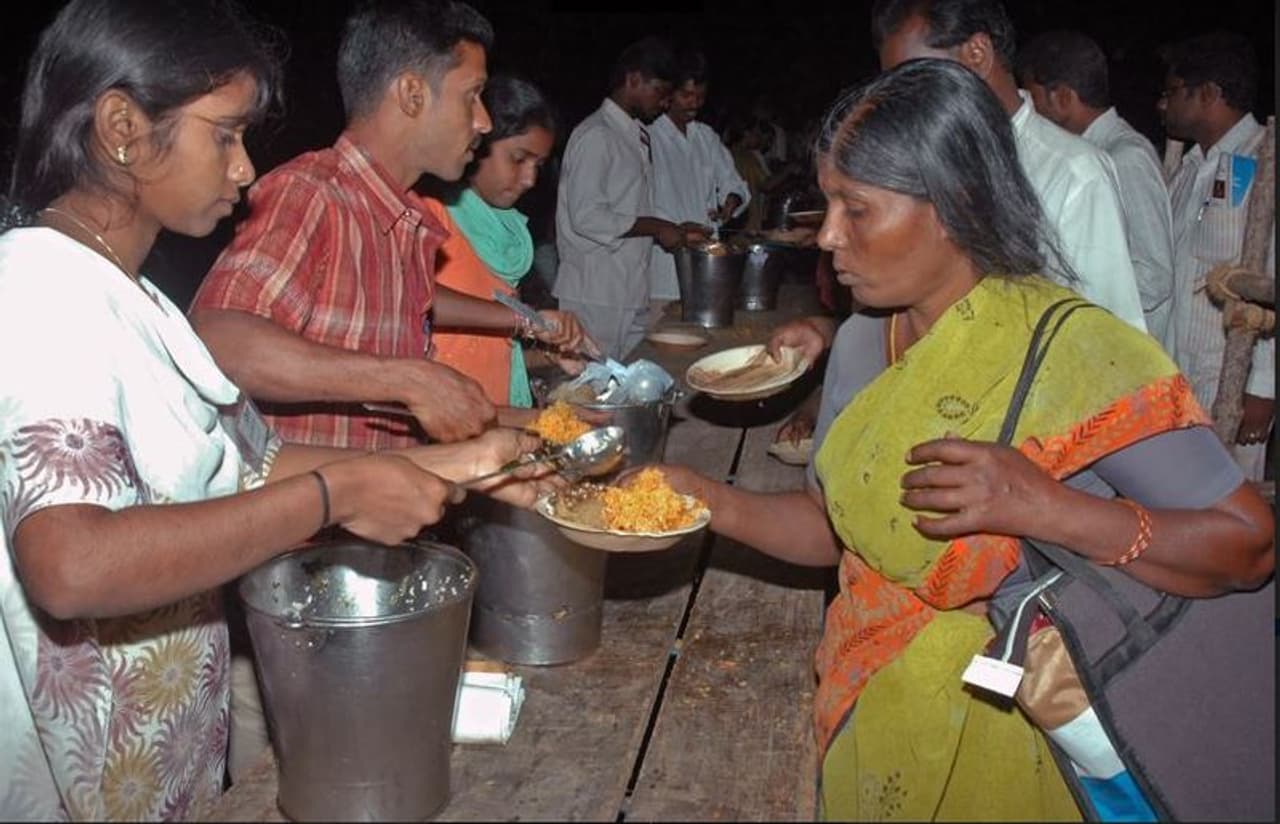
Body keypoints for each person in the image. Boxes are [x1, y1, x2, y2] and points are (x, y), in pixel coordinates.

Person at [653, 59, 1274, 820]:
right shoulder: (864, 339)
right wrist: (706, 501)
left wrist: (1047, 509)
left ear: (957, 204)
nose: (829, 237)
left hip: (1011, 736)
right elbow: (843, 530)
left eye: (857, 209)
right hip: (866, 708)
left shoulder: (1074, 352)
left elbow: (1249, 546)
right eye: (829, 204)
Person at [0, 1, 556, 819]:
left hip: (164, 776)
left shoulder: (140, 302)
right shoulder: (42, 289)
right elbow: (71, 565)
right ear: (122, 128)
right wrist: (337, 496)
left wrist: (457, 463)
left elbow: (252, 465)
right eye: (225, 135)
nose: (244, 171)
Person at [190, 0, 585, 451]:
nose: (483, 121)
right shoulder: (314, 194)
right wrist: (406, 379)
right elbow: (219, 339)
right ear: (413, 94)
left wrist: (547, 423)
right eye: (472, 95)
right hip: (322, 497)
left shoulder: (404, 223)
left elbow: (406, 409)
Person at [871, 0, 1147, 332]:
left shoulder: (1073, 173)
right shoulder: (920, 167)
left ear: (977, 54)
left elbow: (1111, 332)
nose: (906, 104)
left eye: (917, 81)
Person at [425, 75, 595, 419]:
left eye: (538, 166)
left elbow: (491, 348)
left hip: (496, 413)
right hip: (446, 418)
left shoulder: (506, 232)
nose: (530, 179)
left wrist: (546, 354)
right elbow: (417, 297)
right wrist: (527, 320)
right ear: (477, 144)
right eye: (518, 159)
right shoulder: (431, 213)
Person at [1158, 32, 1274, 479]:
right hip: (1178, 374)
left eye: (1173, 92)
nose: (1164, 104)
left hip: (1231, 375)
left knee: (1234, 499)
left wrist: (1263, 388)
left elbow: (1271, 274)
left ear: (1207, 94)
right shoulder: (1188, 168)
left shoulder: (1264, 158)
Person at [1018, 30, 1177, 352]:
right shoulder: (1092, 153)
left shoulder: (1124, 158)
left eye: (1033, 99)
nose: (1030, 114)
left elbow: (1155, 277)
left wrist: (1067, 288)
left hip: (1128, 351)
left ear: (1063, 97)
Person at [553, 35, 707, 359]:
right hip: (595, 291)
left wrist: (672, 228)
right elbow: (587, 217)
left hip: (629, 288)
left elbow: (630, 209)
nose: (664, 103)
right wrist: (656, 227)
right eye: (660, 92)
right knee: (592, 380)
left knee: (624, 381)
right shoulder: (597, 135)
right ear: (633, 79)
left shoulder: (634, 135)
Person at [648, 49, 749, 314]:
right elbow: (642, 205)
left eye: (700, 97)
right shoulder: (649, 137)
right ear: (668, 94)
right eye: (687, 95)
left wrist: (731, 201)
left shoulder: (706, 137)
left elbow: (734, 182)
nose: (694, 103)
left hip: (708, 267)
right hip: (662, 272)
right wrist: (673, 230)